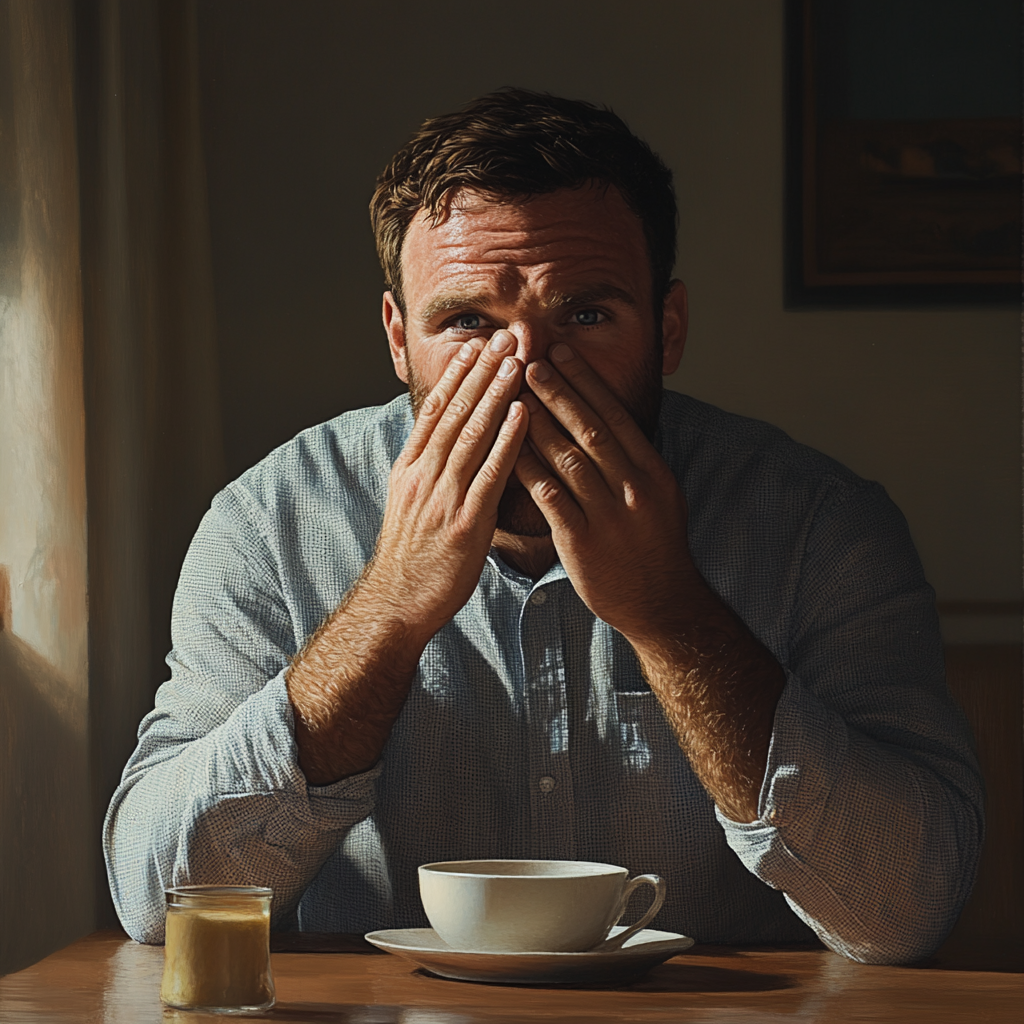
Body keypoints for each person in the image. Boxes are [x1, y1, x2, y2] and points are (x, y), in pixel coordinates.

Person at [104, 89, 983, 965]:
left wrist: (672, 617)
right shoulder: (269, 522)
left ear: (668, 330)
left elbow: (904, 908)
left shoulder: (823, 527)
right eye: (466, 322)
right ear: (398, 338)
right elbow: (163, 899)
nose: (524, 366)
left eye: (586, 315)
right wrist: (390, 607)